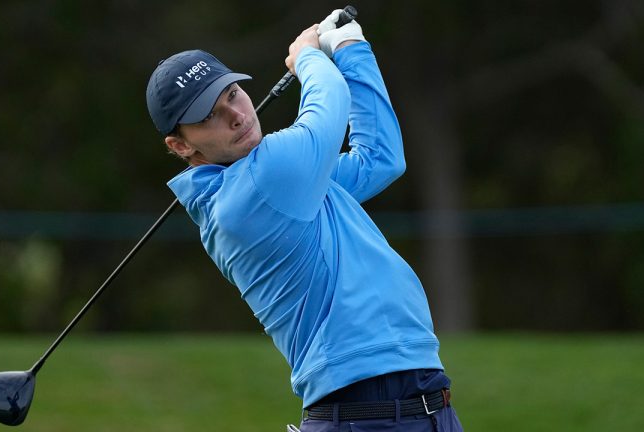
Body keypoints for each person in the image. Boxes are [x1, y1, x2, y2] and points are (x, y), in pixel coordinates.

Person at [146, 9, 463, 432]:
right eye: (207, 116)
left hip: (420, 402)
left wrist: (352, 48)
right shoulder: (259, 184)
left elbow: (380, 159)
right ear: (180, 146)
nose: (237, 115)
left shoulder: (283, 182)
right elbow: (328, 105)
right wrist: (307, 56)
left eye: (232, 95)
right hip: (369, 411)